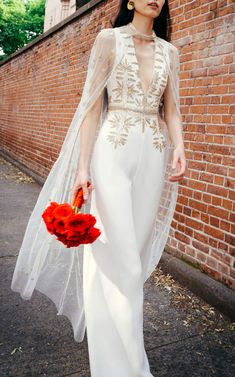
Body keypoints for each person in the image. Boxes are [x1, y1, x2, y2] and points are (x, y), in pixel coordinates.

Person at [11, 1, 186, 376]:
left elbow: (171, 109)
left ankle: (110, 354)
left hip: (153, 155)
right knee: (119, 255)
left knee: (130, 261)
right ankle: (136, 369)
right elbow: (91, 106)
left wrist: (181, 148)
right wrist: (82, 167)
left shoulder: (169, 53)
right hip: (112, 151)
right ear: (130, 2)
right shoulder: (109, 40)